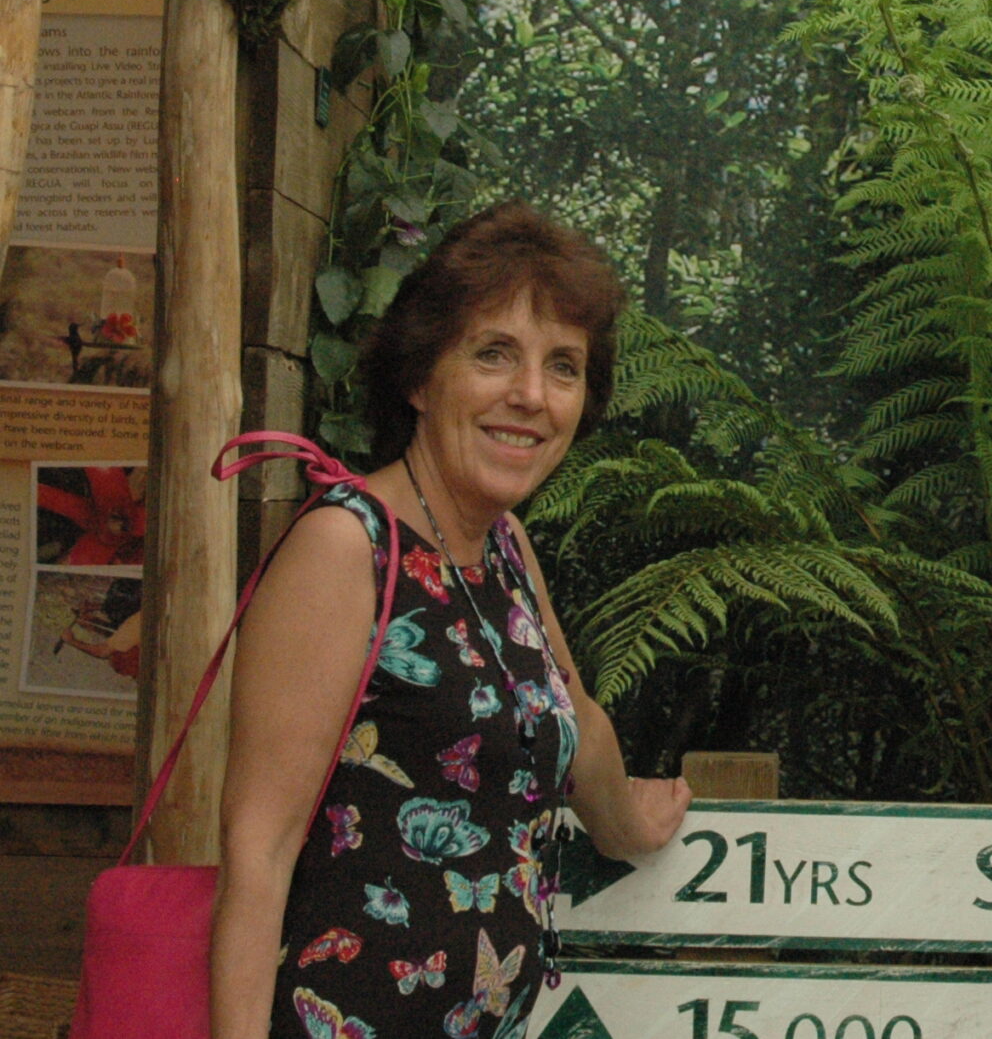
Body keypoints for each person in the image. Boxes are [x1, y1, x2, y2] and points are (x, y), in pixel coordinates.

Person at [211, 204, 692, 1039]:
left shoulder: (502, 546)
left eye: (565, 366)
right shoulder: (345, 547)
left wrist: (626, 820)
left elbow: (569, 714)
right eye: (494, 353)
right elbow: (257, 855)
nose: (531, 396)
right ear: (421, 376)